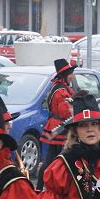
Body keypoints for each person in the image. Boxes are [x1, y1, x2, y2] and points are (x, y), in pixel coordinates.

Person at [36, 58, 75, 190]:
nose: (73, 76)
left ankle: (41, 187)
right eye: (71, 73)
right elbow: (66, 112)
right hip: (61, 128)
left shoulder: (60, 88)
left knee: (51, 160)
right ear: (65, 75)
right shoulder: (61, 91)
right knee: (59, 160)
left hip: (57, 127)